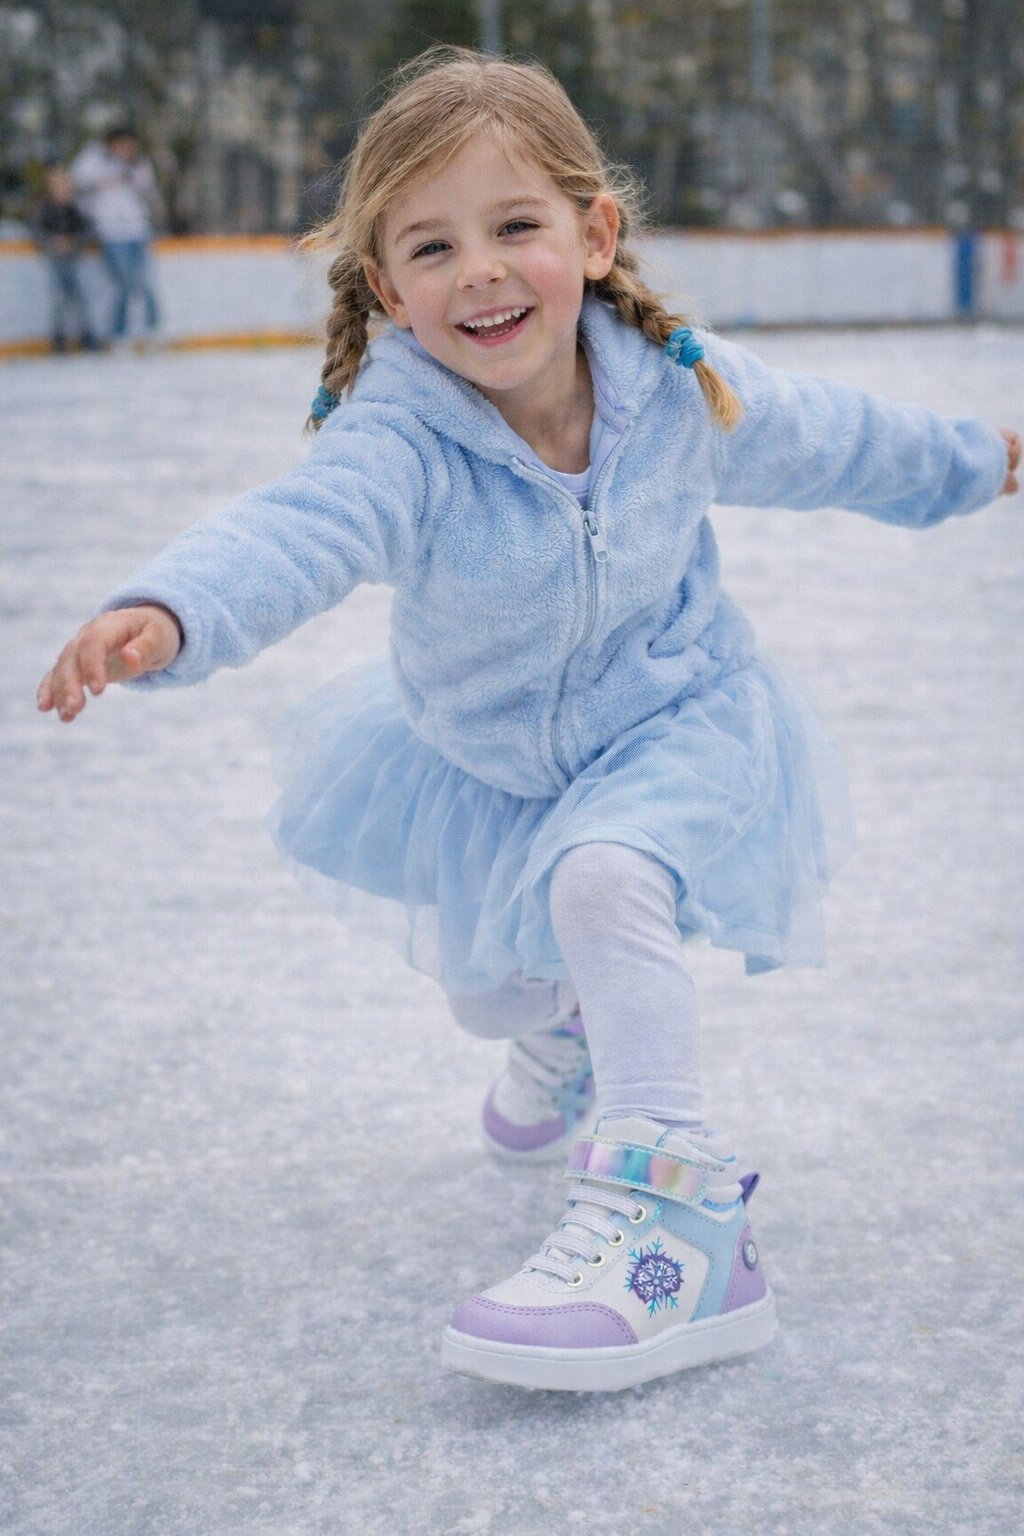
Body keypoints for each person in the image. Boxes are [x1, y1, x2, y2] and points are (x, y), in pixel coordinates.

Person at [38, 49, 1020, 1393]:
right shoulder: (399, 441)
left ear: (593, 235)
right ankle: (557, 1030)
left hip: (677, 715)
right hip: (490, 760)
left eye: (515, 227)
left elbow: (834, 436)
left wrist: (975, 459)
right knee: (488, 989)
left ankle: (675, 1226)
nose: (481, 273)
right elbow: (298, 529)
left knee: (604, 881)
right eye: (433, 247)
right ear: (388, 289)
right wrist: (174, 606)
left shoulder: (678, 388)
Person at [69, 126, 163, 347]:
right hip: (110, 232)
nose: (127, 149)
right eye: (123, 144)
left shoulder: (138, 163)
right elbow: (76, 185)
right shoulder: (92, 159)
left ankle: (153, 329)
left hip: (138, 230)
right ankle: (119, 333)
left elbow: (149, 190)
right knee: (123, 283)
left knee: (144, 281)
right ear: (111, 143)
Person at [31, 165, 100, 354]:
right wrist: (52, 241)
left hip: (74, 259)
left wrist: (72, 241)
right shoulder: (44, 208)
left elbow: (88, 230)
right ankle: (59, 339)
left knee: (81, 297)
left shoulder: (75, 208)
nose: (63, 191)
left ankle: (88, 336)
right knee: (58, 299)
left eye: (65, 187)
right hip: (54, 260)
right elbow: (37, 231)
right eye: (58, 187)